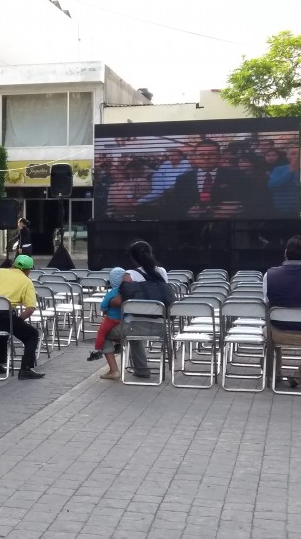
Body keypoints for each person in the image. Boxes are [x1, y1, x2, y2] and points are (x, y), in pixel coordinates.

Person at [102, 241, 170, 379]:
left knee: (104, 333)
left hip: (133, 327)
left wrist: (108, 301)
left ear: (133, 258)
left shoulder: (129, 275)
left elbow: (122, 301)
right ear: (150, 254)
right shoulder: (161, 272)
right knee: (135, 327)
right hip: (160, 327)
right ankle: (141, 369)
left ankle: (117, 370)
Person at [0, 254, 44, 380]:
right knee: (32, 335)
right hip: (3, 315)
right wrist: (18, 321)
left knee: (1, 332)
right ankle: (26, 368)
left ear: (13, 265)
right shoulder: (27, 281)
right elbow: (30, 309)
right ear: (28, 270)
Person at [171, 139, 260, 219]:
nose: (206, 158)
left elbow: (255, 199)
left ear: (219, 156)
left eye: (211, 154)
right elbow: (174, 206)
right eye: (202, 155)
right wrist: (187, 212)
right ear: (195, 158)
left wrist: (238, 207)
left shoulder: (236, 175)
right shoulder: (183, 179)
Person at [264, 235, 301, 385]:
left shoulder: (269, 275)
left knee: (266, 329)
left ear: (286, 252)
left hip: (277, 334)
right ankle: (298, 375)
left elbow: (265, 303)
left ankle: (273, 372)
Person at [87, 267, 126, 379]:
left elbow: (103, 305)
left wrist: (104, 308)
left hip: (111, 319)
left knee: (102, 333)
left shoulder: (112, 292)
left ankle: (97, 349)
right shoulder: (126, 292)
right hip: (124, 320)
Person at [267, 146, 300, 217]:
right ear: (287, 156)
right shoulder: (278, 170)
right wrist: (290, 171)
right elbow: (272, 186)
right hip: (284, 212)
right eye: (293, 154)